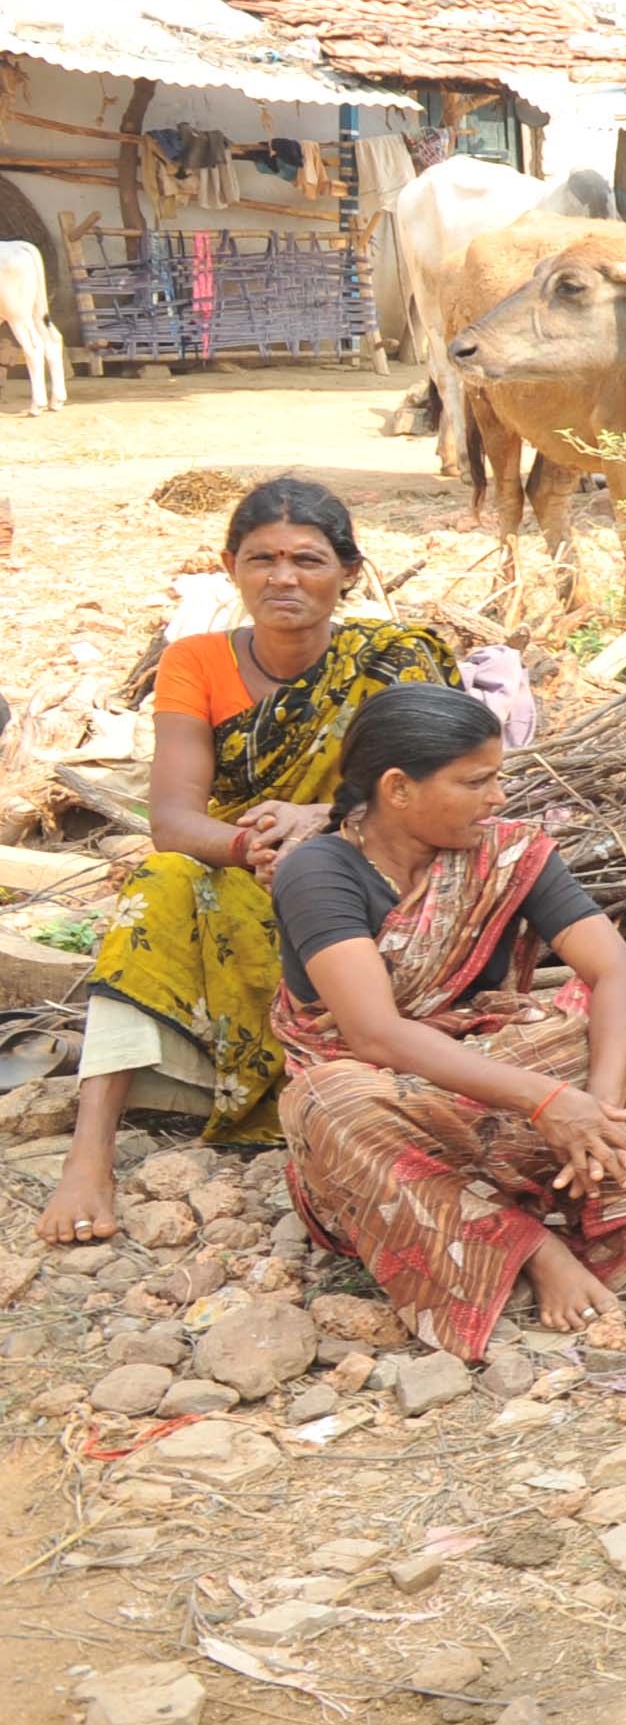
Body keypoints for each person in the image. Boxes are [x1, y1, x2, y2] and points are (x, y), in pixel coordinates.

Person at [271, 684, 626, 1361]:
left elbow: (615, 971)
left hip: (504, 1062)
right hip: (398, 1093)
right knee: (327, 1103)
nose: (498, 799)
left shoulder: (509, 851)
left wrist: (599, 1105)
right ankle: (532, 1246)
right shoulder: (318, 872)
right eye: (476, 782)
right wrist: (544, 1102)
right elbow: (376, 1035)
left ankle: (607, 1191)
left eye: (498, 779)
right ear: (398, 789)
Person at [37, 476, 456, 1247]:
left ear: (349, 572)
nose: (284, 578)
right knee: (160, 879)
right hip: (235, 870)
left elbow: (435, 796)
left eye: (307, 559)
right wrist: (251, 843)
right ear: (230, 565)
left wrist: (323, 821)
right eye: (261, 559)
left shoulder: (395, 659)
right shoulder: (195, 660)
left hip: (365, 875)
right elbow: (171, 819)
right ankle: (90, 1152)